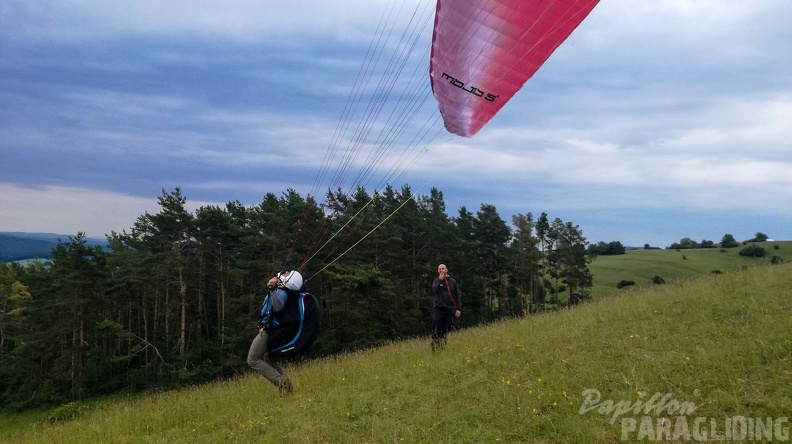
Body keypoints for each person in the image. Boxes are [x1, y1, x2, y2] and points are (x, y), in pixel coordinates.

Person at [247, 270, 303, 395]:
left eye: (288, 274)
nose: (285, 272)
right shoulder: (281, 290)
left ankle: (283, 382)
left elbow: (278, 307)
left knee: (253, 360)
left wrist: (272, 289)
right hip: (268, 328)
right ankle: (286, 382)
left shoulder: (281, 292)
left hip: (269, 331)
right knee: (268, 358)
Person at [430, 263, 461, 351]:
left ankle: (443, 347)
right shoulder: (436, 281)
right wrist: (440, 280)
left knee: (446, 329)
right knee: (436, 328)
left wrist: (458, 308)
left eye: (443, 268)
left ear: (446, 270)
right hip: (438, 309)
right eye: (439, 269)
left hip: (448, 309)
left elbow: (457, 296)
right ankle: (435, 347)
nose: (441, 270)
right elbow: (433, 291)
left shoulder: (452, 282)